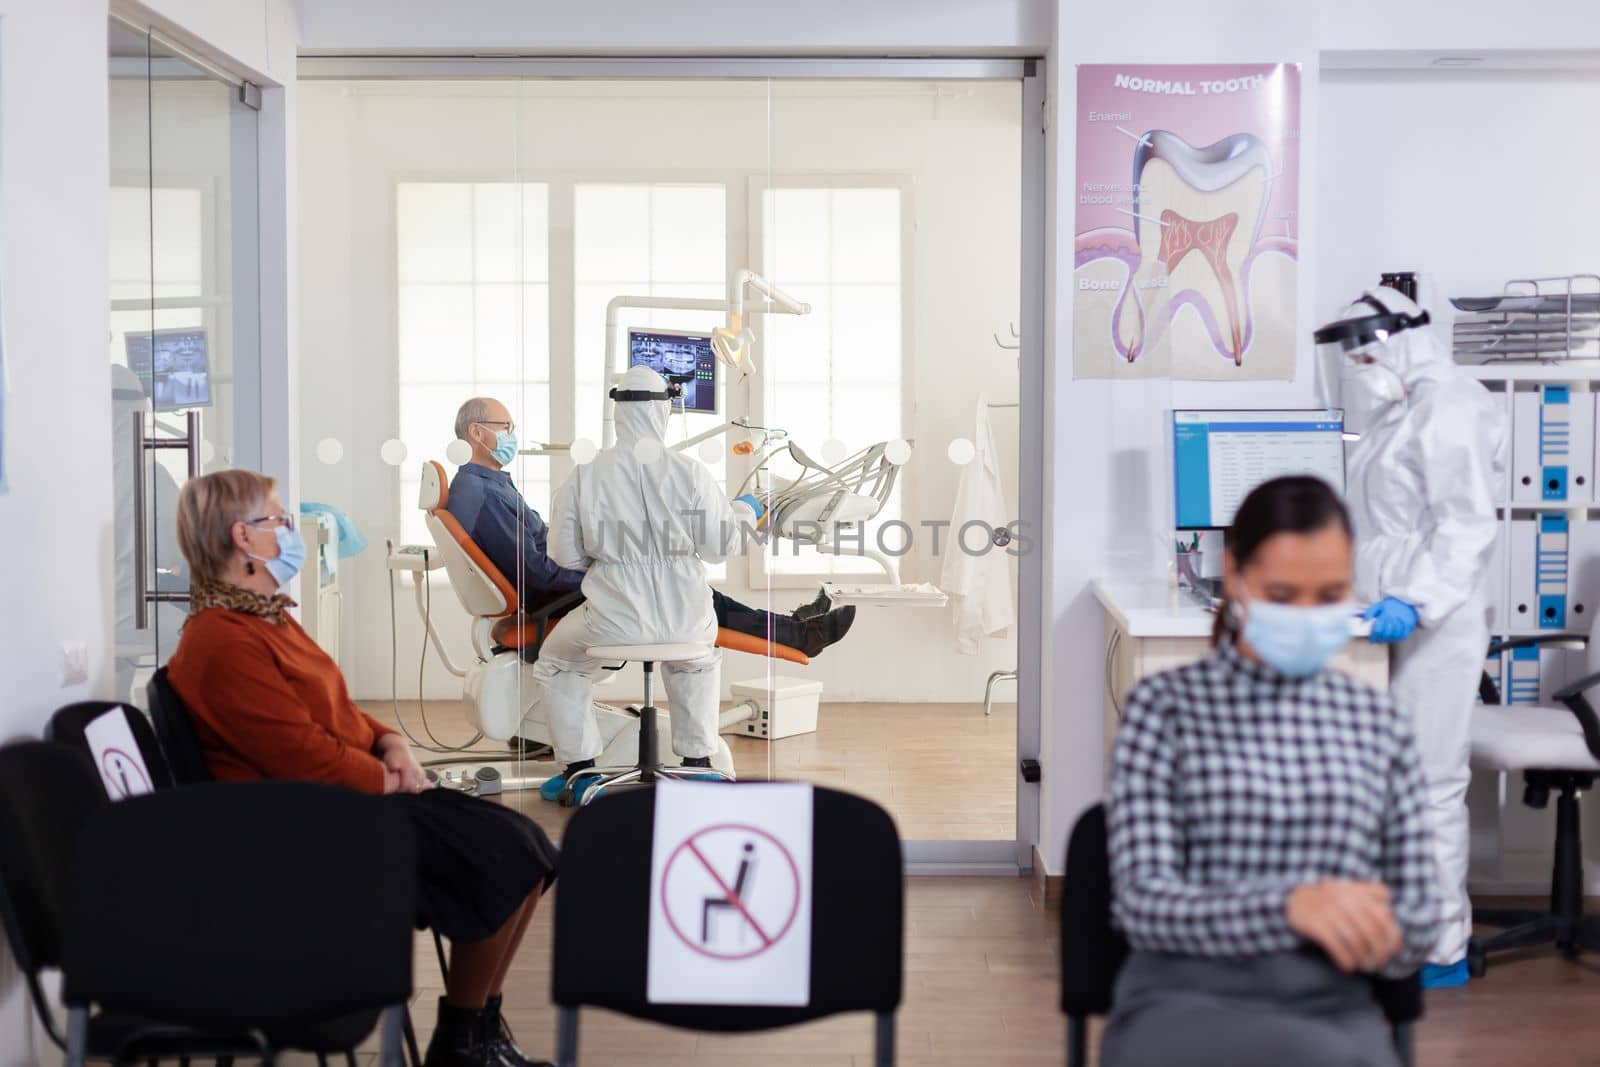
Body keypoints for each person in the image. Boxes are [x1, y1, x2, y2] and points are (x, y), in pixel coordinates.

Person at [165, 469, 556, 1067]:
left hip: (353, 800)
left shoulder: (266, 616)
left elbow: (337, 709)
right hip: (315, 826)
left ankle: (474, 1029)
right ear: (244, 537)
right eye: (280, 521)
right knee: (507, 854)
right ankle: (463, 1039)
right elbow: (300, 755)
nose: (293, 532)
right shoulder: (220, 641)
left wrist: (391, 743)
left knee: (525, 845)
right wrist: (386, 777)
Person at [1102, 476, 1440, 1067]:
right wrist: (1292, 907)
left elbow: (1417, 915)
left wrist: (1383, 934)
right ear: (1234, 575)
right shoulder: (1166, 709)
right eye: (1283, 595)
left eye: (1330, 593)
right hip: (1181, 1001)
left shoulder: (1378, 722)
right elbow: (1144, 904)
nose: (1308, 615)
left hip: (1331, 1003)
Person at [1319, 285, 1508, 989]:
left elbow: (1465, 527)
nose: (1358, 362)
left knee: (1429, 783)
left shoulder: (1452, 403)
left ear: (1403, 334)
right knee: (1388, 782)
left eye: (1364, 348)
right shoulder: (1399, 409)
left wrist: (1413, 599)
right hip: (1387, 612)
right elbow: (1386, 528)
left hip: (1440, 618)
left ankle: (1441, 949)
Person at [444, 395, 857, 655]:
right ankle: (799, 633)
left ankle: (797, 626)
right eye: (507, 428)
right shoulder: (478, 493)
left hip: (563, 587)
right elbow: (535, 571)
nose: (513, 435)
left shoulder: (487, 485)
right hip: (551, 600)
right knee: (689, 593)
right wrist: (610, 573)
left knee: (691, 591)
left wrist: (603, 557)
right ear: (478, 433)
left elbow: (547, 548)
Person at [518, 366, 745, 800]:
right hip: (686, 615)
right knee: (694, 659)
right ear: (665, 409)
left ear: (617, 410)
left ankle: (581, 770)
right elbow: (720, 547)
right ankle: (699, 766)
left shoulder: (585, 474)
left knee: (556, 663)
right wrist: (744, 513)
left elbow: (564, 554)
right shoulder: (692, 472)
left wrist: (607, 559)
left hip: (613, 617)